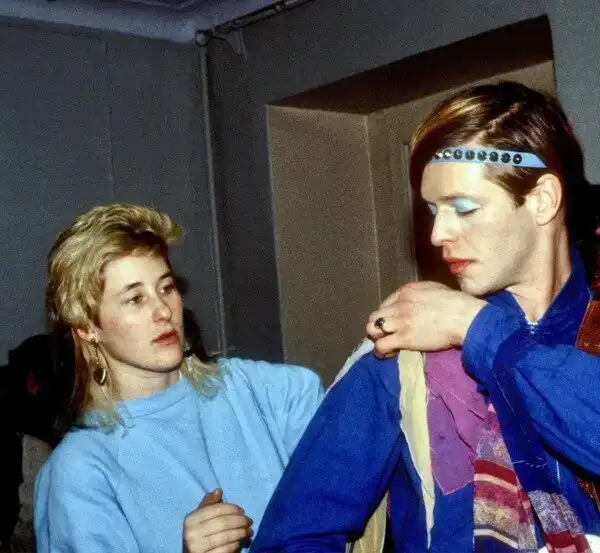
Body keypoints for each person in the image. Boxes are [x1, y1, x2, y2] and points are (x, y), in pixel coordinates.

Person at [251, 81, 600, 553]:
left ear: (542, 200)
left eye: (464, 208)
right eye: (433, 210)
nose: (438, 234)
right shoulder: (404, 355)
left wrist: (481, 330)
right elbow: (293, 537)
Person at [33, 204, 323, 553]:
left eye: (166, 288)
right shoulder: (80, 471)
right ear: (88, 327)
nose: (163, 311)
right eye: (135, 299)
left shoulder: (263, 392)